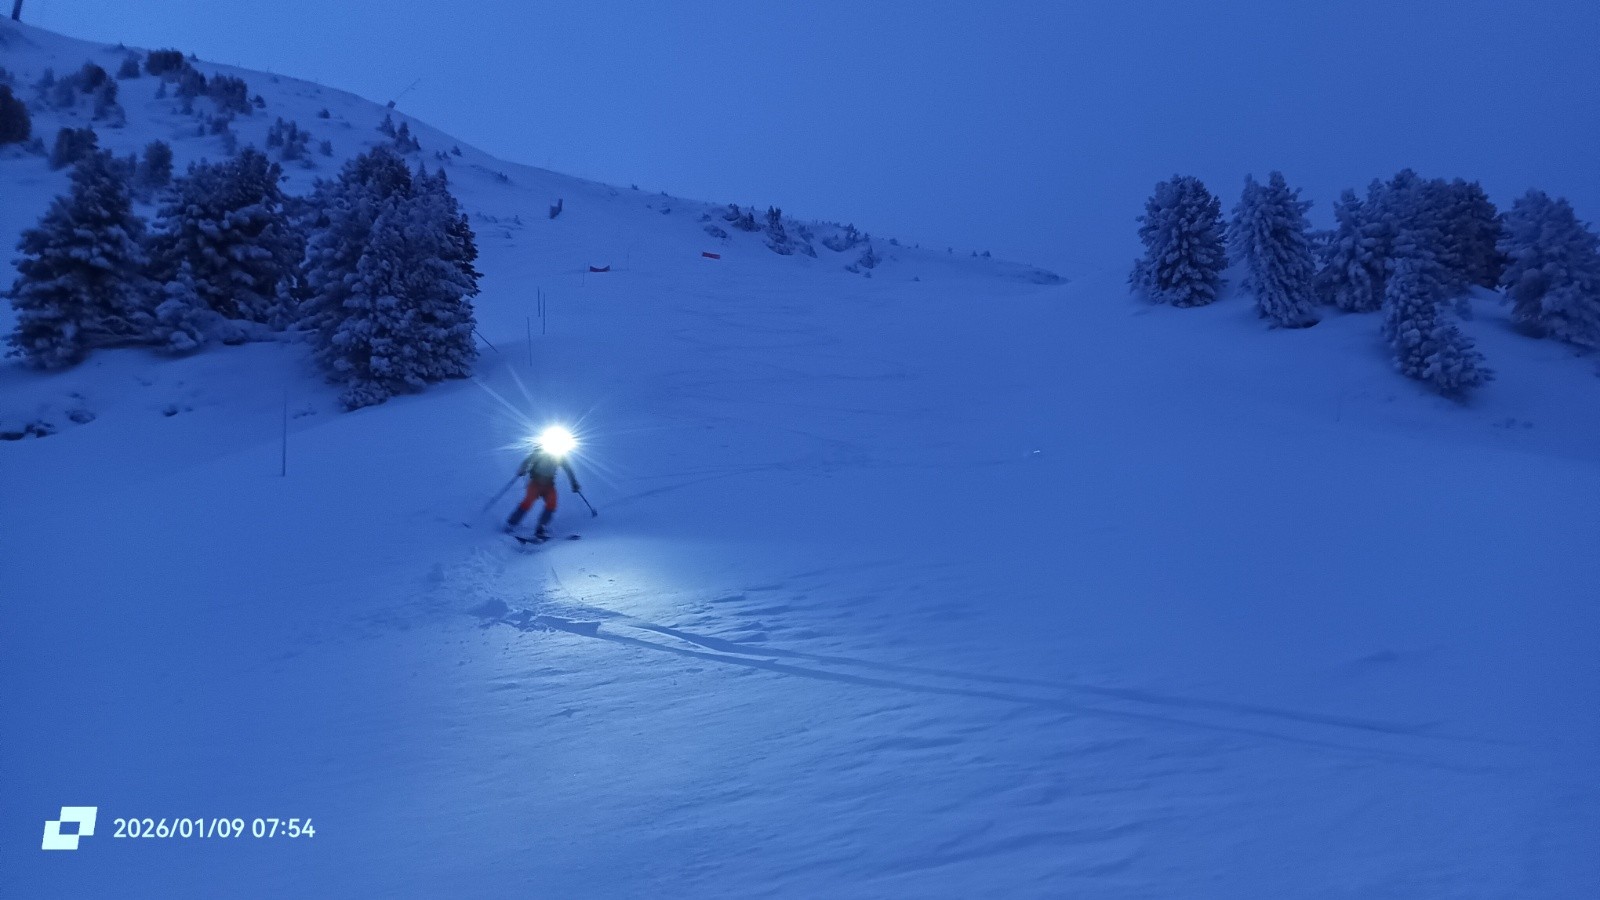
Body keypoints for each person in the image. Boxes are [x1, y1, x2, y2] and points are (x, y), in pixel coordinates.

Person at [506, 439, 581, 539]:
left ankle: (540, 528)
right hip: (535, 483)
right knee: (528, 502)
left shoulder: (559, 456)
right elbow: (527, 461)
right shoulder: (539, 452)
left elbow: (568, 469)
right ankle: (511, 523)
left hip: (549, 484)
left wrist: (574, 483)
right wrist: (522, 470)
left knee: (552, 504)